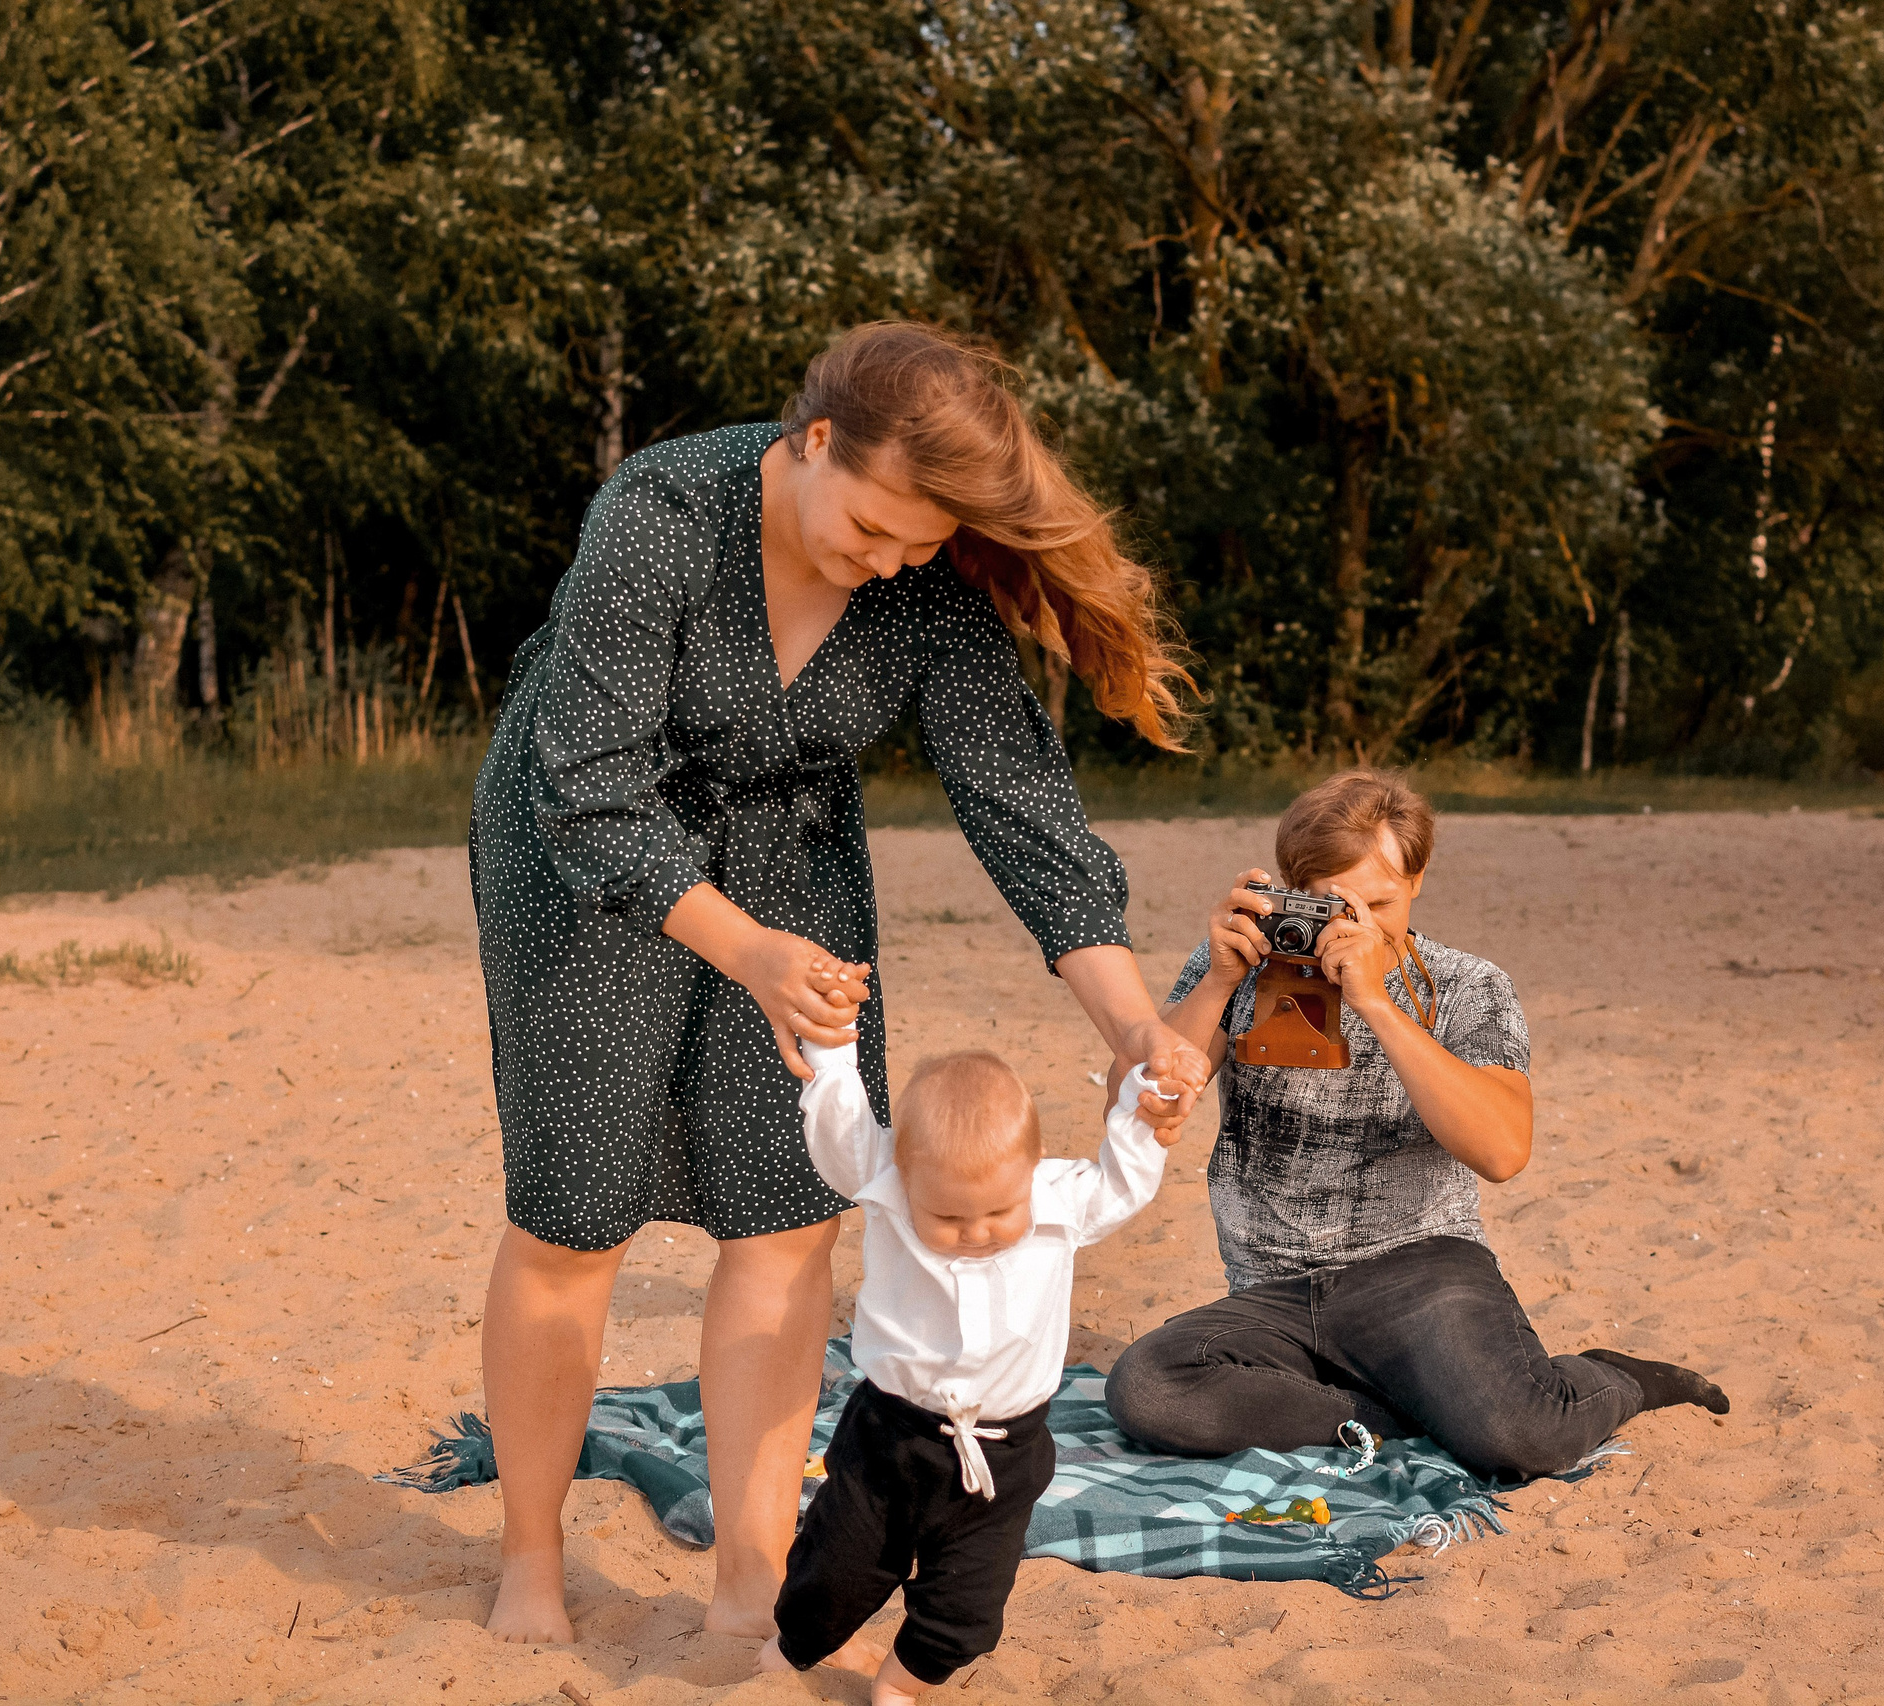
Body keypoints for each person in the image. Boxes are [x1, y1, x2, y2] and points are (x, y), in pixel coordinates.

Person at [467, 321, 1213, 1644]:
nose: (888, 562)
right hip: (585, 849)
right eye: (872, 527)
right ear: (813, 440)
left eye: (916, 545)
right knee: (576, 1215)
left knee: (789, 1213)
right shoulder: (661, 513)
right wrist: (746, 949)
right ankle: (530, 1556)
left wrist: (1132, 1023)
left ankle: (751, 1577)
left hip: (790, 850)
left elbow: (1021, 806)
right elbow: (588, 784)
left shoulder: (922, 572)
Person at [1105, 769, 1727, 1481]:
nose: (1360, 927)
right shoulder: (1240, 967)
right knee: (1150, 1388)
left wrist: (1375, 1001)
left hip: (1421, 1276)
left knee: (1520, 1437)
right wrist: (1218, 981)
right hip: (1270, 1292)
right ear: (1292, 892)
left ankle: (1616, 1378)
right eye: (1335, 906)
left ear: (1418, 880)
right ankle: (1407, 1411)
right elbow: (1133, 1102)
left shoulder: (1468, 985)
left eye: (1379, 903)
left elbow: (1502, 1151)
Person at [759, 1043, 1173, 1703]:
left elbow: (1124, 1183)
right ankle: (791, 1651)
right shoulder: (886, 1182)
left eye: (1000, 1212)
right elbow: (840, 1132)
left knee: (967, 1610)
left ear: (1033, 1169)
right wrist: (833, 1051)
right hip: (889, 1439)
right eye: (948, 1218)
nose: (977, 1232)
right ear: (903, 1178)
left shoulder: (1058, 1202)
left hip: (1002, 1457)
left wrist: (1145, 1106)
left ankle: (898, 1685)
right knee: (834, 1573)